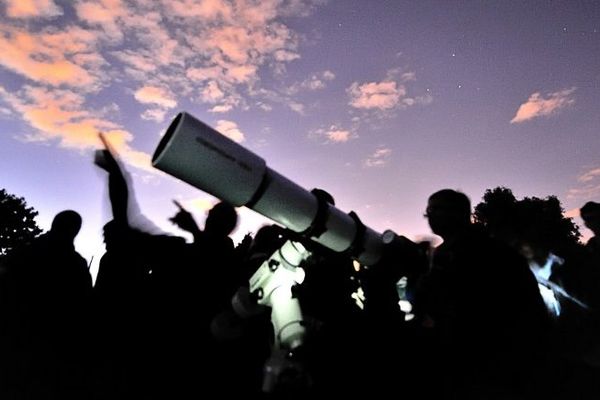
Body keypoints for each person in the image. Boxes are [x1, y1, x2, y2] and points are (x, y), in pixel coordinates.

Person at [413, 189, 549, 399]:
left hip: (490, 365)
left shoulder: (486, 252)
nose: (430, 215)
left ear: (460, 212)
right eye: (429, 210)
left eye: (437, 209)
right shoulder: (444, 255)